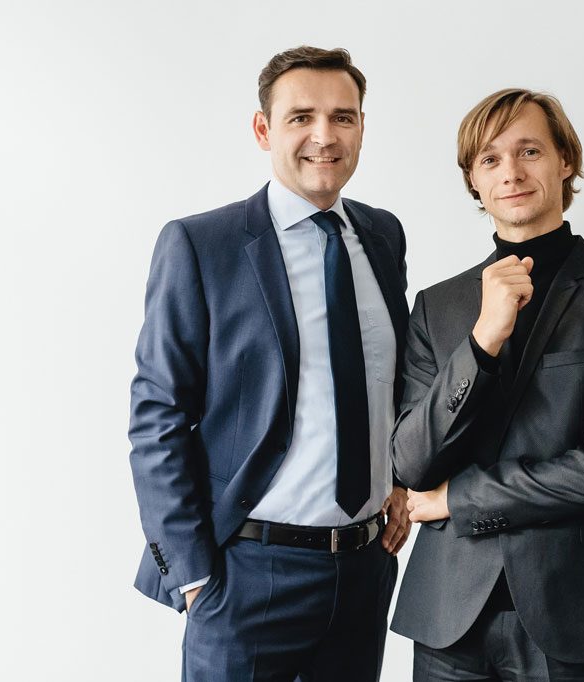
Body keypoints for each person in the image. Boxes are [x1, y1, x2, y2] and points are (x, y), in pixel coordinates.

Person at [128, 45, 411, 681]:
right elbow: (157, 414)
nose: (324, 136)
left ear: (362, 128)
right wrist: (192, 575)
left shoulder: (383, 236)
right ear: (264, 129)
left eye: (343, 117)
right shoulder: (202, 244)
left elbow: (389, 382)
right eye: (301, 117)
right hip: (247, 575)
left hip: (364, 572)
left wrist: (402, 478)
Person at [390, 88, 584, 681]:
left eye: (529, 151)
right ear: (473, 180)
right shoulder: (438, 307)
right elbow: (411, 462)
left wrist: (458, 499)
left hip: (573, 610)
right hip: (446, 616)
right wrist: (482, 342)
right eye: (489, 159)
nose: (510, 172)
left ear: (565, 160)